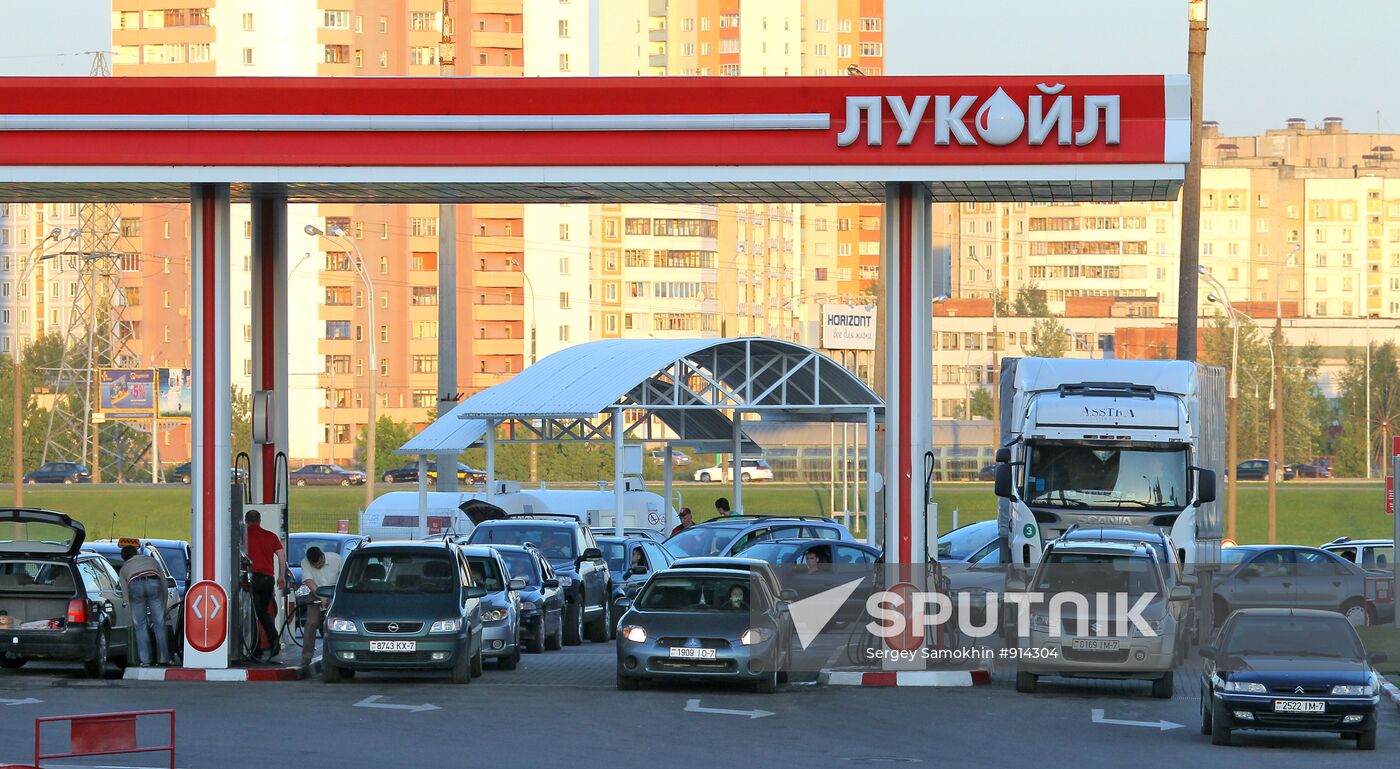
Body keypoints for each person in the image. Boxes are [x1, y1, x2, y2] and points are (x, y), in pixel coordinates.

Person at [118, 545, 170, 667]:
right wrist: (164, 604)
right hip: (154, 582)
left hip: (134, 585)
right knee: (159, 623)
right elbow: (164, 583)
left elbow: (125, 593)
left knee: (140, 625)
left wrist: (130, 612)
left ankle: (145, 660)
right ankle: (163, 658)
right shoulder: (151, 560)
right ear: (136, 553)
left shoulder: (124, 568)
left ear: (124, 558)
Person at [244, 510, 284, 661]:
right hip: (268, 578)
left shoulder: (244, 536)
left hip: (251, 579)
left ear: (246, 521)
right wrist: (281, 576)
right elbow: (281, 555)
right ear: (259, 520)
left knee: (253, 613)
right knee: (263, 613)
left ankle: (256, 648)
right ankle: (274, 642)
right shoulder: (271, 536)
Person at [299, 546, 342, 667]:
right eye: (315, 566)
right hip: (316, 593)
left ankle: (337, 652)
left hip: (335, 593)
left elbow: (345, 576)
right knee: (311, 623)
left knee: (336, 624)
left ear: (323, 556)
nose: (317, 567)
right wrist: (320, 595)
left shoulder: (336, 559)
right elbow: (309, 581)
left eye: (320, 564)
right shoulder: (305, 562)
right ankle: (306, 657)